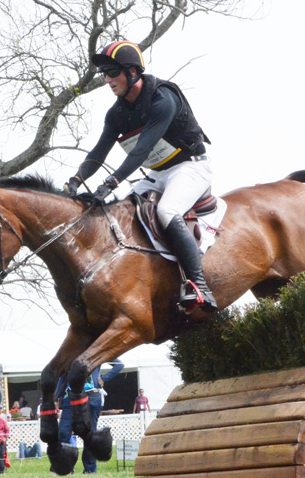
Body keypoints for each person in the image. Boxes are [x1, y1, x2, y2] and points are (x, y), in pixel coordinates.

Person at [64, 40, 217, 313]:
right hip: (158, 173)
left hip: (191, 167)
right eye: (105, 74)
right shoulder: (117, 113)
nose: (108, 80)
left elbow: (141, 151)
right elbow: (99, 152)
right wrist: (75, 181)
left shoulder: (163, 99)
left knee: (168, 211)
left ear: (132, 71)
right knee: (123, 211)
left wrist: (110, 183)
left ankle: (199, 285)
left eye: (112, 72)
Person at [55, 358, 124, 474]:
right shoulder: (71, 354)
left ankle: (90, 468)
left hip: (92, 398)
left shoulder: (98, 350)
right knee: (63, 432)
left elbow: (119, 365)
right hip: (70, 398)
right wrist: (56, 397)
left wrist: (103, 379)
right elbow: (62, 377)